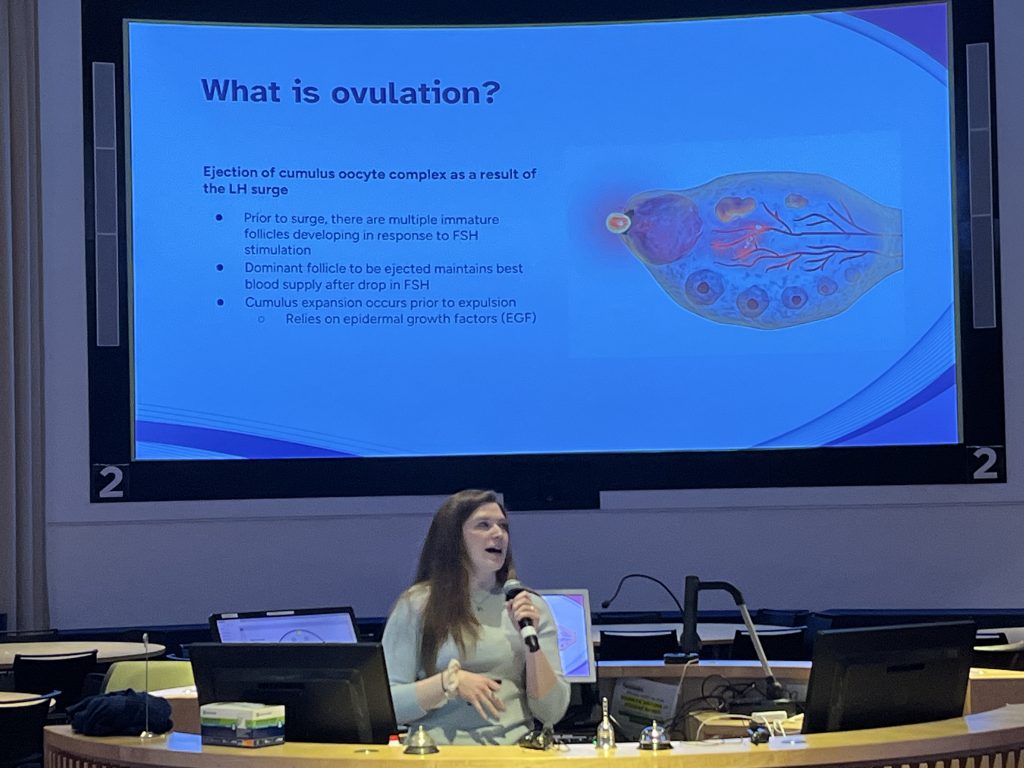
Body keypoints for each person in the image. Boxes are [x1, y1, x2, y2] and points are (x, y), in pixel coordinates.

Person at [382, 489, 570, 745]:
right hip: (437, 756)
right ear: (453, 538)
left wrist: (531, 644)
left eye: (503, 526)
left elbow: (552, 712)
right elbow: (387, 707)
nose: (498, 534)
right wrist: (448, 684)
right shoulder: (416, 605)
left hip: (514, 754)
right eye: (483, 525)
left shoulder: (529, 607)